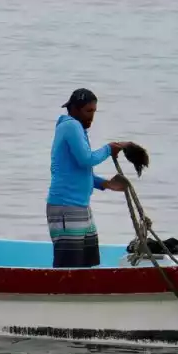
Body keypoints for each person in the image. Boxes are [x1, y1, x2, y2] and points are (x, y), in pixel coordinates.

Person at [47, 88, 131, 268]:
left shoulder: (77, 128)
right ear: (75, 109)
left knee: (86, 264)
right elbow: (86, 159)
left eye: (94, 111)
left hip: (81, 207)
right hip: (65, 207)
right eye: (88, 111)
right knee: (69, 267)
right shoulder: (71, 126)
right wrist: (109, 148)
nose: (91, 116)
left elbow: (76, 171)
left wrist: (105, 184)